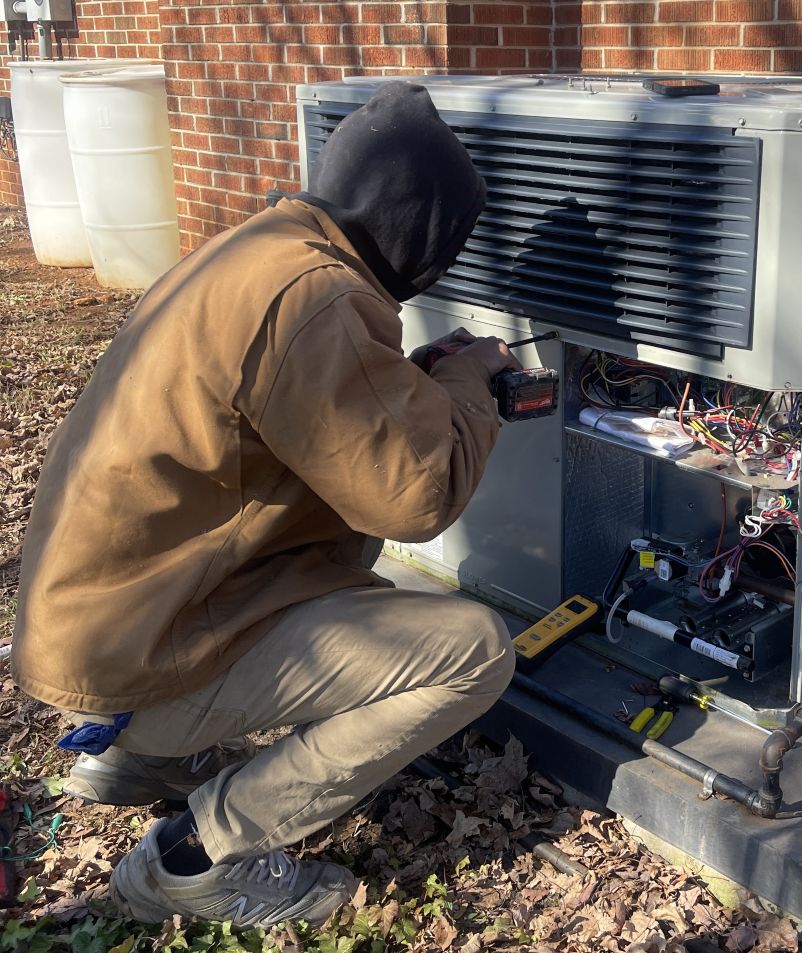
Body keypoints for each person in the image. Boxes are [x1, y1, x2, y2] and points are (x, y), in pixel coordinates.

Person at [11, 82, 519, 927]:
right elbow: (415, 497)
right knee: (472, 650)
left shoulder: (261, 253)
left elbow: (297, 434)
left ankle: (141, 759)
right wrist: (472, 385)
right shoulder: (318, 298)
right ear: (413, 221)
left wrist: (420, 378)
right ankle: (193, 857)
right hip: (138, 656)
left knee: (344, 549)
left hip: (97, 633)